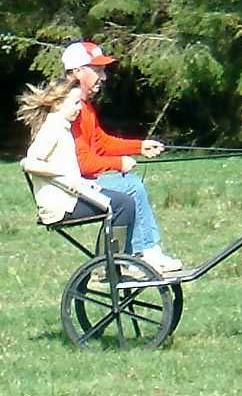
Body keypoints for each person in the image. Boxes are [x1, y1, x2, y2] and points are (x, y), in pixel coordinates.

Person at [61, 41, 182, 272]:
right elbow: (83, 163)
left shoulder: (85, 108)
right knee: (132, 187)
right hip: (71, 188)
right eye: (97, 70)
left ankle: (141, 254)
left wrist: (139, 147)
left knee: (130, 183)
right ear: (77, 72)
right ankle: (143, 254)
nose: (103, 77)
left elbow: (101, 143)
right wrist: (120, 163)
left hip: (80, 183)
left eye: (103, 71)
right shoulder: (70, 110)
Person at [18, 80, 136, 254]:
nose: (79, 108)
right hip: (61, 206)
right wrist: (63, 172)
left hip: (69, 198)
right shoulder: (52, 129)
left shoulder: (61, 128)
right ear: (58, 104)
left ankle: (110, 263)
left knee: (122, 201)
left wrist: (78, 181)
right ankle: (107, 267)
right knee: (123, 204)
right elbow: (29, 162)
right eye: (74, 103)